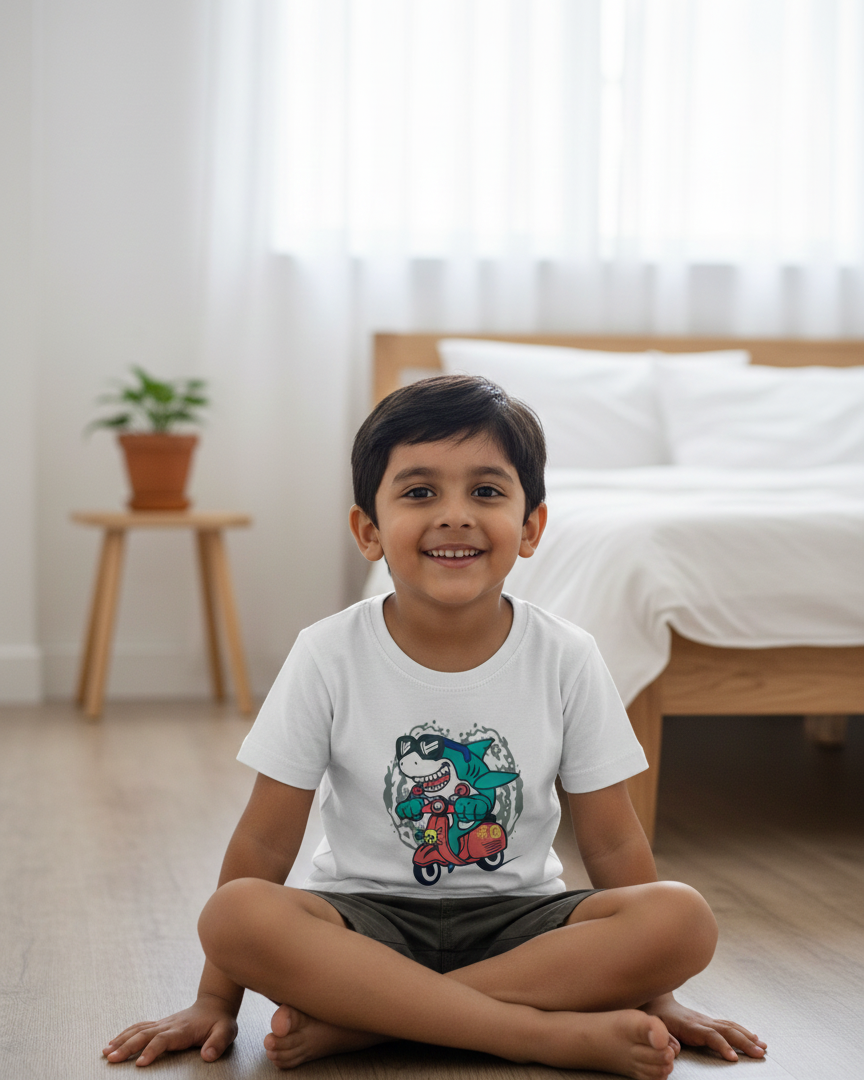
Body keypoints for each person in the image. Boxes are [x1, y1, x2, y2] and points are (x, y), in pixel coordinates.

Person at [103, 375, 767, 1079]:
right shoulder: (327, 653)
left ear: (531, 527)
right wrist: (215, 1000)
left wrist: (658, 993)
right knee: (234, 915)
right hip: (362, 923)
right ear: (368, 530)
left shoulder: (567, 655)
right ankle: (533, 1033)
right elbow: (265, 840)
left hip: (522, 926)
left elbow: (612, 840)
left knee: (680, 918)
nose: (455, 516)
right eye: (420, 492)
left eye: (486, 491)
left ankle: (367, 1023)